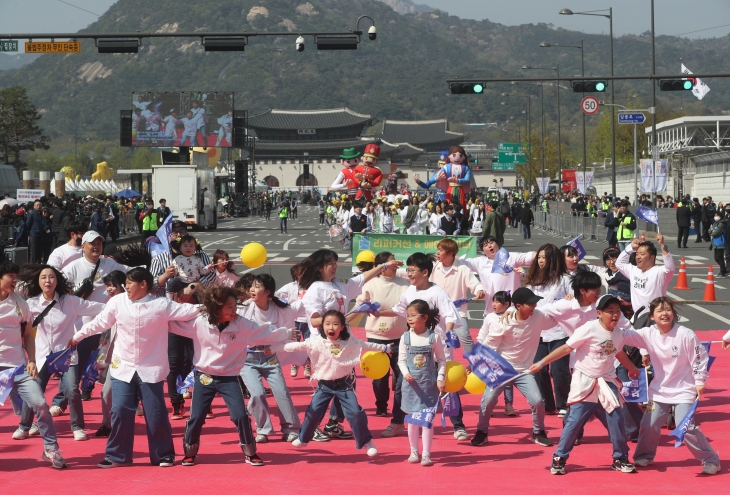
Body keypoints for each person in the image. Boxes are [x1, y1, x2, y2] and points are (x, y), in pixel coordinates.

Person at [68, 267, 201, 468]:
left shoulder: (161, 304)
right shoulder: (117, 302)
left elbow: (189, 311)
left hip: (151, 367)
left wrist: (214, 305)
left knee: (155, 412)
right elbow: (99, 323)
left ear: (143, 284)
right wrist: (77, 337)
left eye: (130, 282)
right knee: (120, 409)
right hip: (123, 366)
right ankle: (116, 455)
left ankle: (163, 454)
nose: (126, 286)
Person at [168, 286, 299, 466]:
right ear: (217, 308)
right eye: (229, 307)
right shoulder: (199, 322)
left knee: (240, 416)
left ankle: (250, 451)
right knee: (197, 416)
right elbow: (170, 323)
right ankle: (190, 450)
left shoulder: (242, 324)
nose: (234, 310)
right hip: (204, 376)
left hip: (229, 377)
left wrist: (285, 333)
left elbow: (263, 332)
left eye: (234, 306)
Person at [530, 295, 640, 475]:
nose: (614, 315)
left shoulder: (619, 333)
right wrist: (542, 363)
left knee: (617, 421)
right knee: (574, 423)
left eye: (617, 311)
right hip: (586, 383)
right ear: (599, 313)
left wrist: (632, 368)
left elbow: (618, 353)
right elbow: (567, 348)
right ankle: (559, 457)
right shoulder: (589, 328)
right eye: (610, 311)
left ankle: (620, 458)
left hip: (606, 383)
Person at [300, 249, 403, 441]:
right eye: (331, 263)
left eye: (336, 263)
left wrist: (382, 267)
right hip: (325, 345)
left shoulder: (340, 284)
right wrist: (338, 320)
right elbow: (314, 321)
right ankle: (313, 425)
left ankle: (333, 423)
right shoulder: (315, 289)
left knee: (346, 385)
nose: (335, 267)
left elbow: (361, 279)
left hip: (344, 343)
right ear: (321, 267)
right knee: (325, 386)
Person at [621, 297, 719, 475]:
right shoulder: (647, 334)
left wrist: (699, 381)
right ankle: (644, 455)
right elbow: (624, 336)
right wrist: (604, 327)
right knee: (648, 424)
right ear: (652, 316)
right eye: (659, 311)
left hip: (684, 389)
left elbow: (699, 358)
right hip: (659, 391)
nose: (664, 313)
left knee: (687, 427)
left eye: (668, 310)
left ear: (673, 314)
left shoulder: (685, 334)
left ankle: (711, 460)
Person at [377, 252, 468, 440]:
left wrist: (449, 332)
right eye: (408, 270)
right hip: (414, 348)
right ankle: (397, 422)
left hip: (436, 347)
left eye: (413, 270)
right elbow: (398, 310)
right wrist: (376, 312)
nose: (409, 274)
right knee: (403, 385)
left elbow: (450, 316)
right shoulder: (409, 292)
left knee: (447, 386)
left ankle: (458, 426)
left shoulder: (437, 293)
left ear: (425, 272)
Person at [16, 265, 105, 442]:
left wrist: (119, 303)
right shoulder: (31, 304)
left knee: (72, 390)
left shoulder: (70, 301)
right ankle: (24, 426)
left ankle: (78, 427)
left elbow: (96, 308)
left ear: (57, 281)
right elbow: (16, 321)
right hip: (41, 355)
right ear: (38, 281)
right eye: (43, 277)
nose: (47, 281)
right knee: (33, 389)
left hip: (66, 355)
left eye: (51, 277)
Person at [282, 310, 389, 456]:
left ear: (342, 327)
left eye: (335, 324)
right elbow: (295, 346)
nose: (331, 327)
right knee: (313, 412)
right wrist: (274, 348)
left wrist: (386, 348)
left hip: (344, 385)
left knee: (355, 413)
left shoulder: (350, 342)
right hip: (324, 386)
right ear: (322, 326)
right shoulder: (317, 342)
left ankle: (367, 442)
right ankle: (303, 438)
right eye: (327, 324)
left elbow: (366, 345)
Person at [0, 262, 68, 468]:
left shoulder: (20, 304)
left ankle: (51, 450)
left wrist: (31, 359)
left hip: (18, 367)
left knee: (40, 403)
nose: (15, 280)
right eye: (10, 276)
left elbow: (28, 334)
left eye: (16, 275)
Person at [471, 287, 556, 448]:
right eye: (530, 303)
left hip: (524, 370)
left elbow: (558, 316)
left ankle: (538, 433)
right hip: (501, 369)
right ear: (518, 306)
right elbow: (489, 344)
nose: (534, 306)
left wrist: (569, 299)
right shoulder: (503, 321)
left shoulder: (538, 316)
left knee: (537, 401)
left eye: (535, 303)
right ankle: (482, 432)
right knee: (488, 400)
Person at [238, 274, 302, 443]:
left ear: (267, 292)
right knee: (257, 394)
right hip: (248, 358)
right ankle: (263, 429)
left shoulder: (279, 308)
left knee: (281, 392)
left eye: (257, 286)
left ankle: (291, 428)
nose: (252, 289)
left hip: (270, 357)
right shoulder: (243, 307)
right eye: (252, 286)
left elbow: (302, 306)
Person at [355, 251, 409, 435]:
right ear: (381, 266)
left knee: (402, 377)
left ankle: (399, 415)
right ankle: (381, 405)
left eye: (395, 261)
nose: (395, 264)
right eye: (391, 262)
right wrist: (364, 302)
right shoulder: (370, 283)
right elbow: (360, 300)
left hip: (400, 336)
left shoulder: (405, 283)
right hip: (376, 337)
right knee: (379, 377)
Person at [524, 243, 572, 417]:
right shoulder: (533, 280)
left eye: (545, 257)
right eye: (540, 257)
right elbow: (526, 301)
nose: (541, 261)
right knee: (539, 369)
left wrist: (570, 298)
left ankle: (564, 403)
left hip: (560, 331)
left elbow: (575, 301)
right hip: (538, 332)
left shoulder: (565, 279)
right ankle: (547, 403)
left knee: (559, 370)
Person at [399, 300, 446, 466]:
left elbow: (441, 360)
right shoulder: (405, 337)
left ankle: (426, 454)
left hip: (428, 386)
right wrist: (406, 374)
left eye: (413, 315)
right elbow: (401, 361)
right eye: (408, 315)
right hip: (411, 387)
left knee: (427, 421)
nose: (409, 318)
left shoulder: (434, 337)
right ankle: (414, 451)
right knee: (412, 421)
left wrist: (440, 378)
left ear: (425, 317)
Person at [461, 236, 534, 315]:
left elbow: (531, 257)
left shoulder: (511, 257)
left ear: (498, 245)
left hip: (512, 309)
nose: (489, 246)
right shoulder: (480, 262)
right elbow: (458, 262)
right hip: (491, 311)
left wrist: (544, 254)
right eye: (485, 245)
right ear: (483, 251)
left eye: (491, 243)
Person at [615, 234, 674, 327]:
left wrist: (662, 245)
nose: (637, 257)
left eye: (642, 254)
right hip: (638, 318)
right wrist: (630, 247)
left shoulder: (659, 272)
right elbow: (619, 263)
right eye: (637, 254)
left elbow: (670, 268)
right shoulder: (633, 270)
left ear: (652, 257)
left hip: (656, 320)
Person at [95, 271, 127, 438]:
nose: (110, 288)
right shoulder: (110, 303)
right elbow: (103, 323)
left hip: (135, 358)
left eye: (113, 285)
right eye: (107, 285)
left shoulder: (132, 303)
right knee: (106, 392)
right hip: (115, 358)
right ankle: (107, 424)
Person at [708, 210, 728, 277]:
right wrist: (712, 231)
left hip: (720, 243)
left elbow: (715, 233)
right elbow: (710, 230)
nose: (716, 217)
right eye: (715, 215)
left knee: (720, 257)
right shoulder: (715, 223)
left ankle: (723, 271)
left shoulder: (721, 224)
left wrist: (712, 231)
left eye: (717, 215)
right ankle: (724, 270)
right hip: (715, 243)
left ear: (721, 216)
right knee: (716, 258)